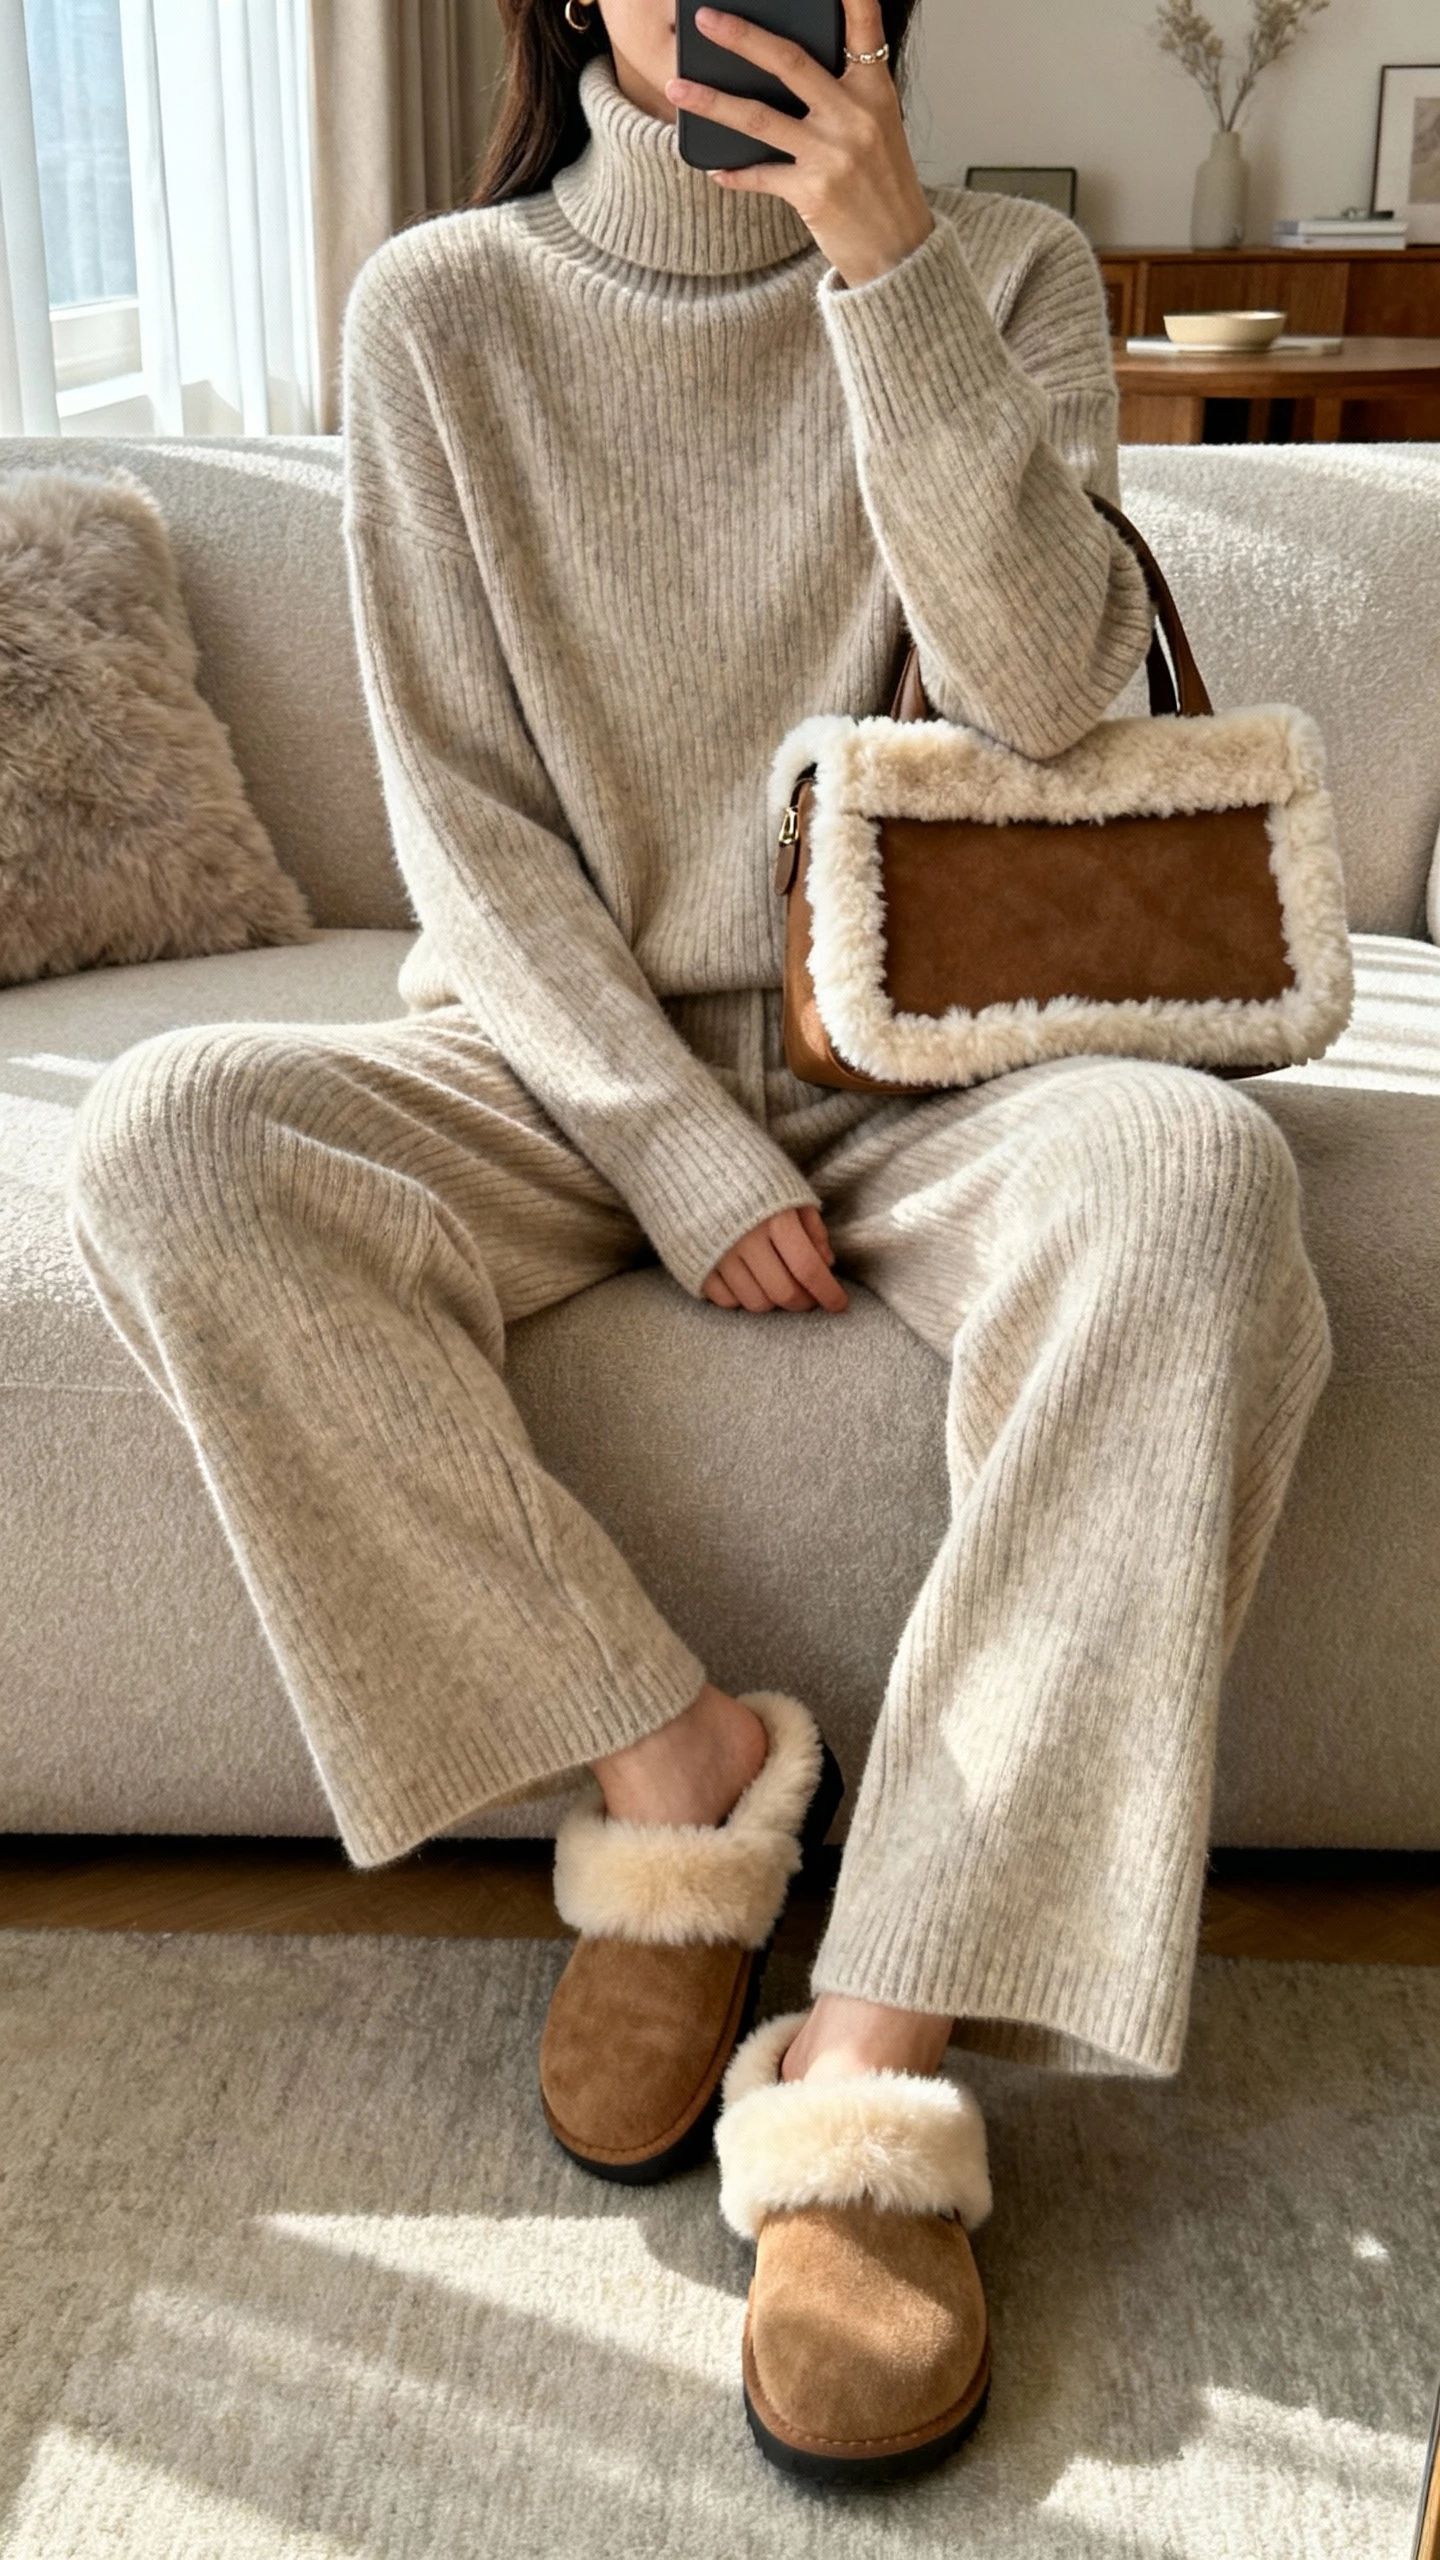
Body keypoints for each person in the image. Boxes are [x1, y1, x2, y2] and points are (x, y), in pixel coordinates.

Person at [63, 0, 1332, 2489]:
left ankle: (874, 2044)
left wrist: (888, 276)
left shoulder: (1008, 273)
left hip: (947, 1051)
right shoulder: (441, 307)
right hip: (567, 1072)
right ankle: (680, 1765)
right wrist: (672, 1145)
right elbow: (460, 821)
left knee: (1195, 1191)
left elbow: (1053, 705)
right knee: (177, 1139)